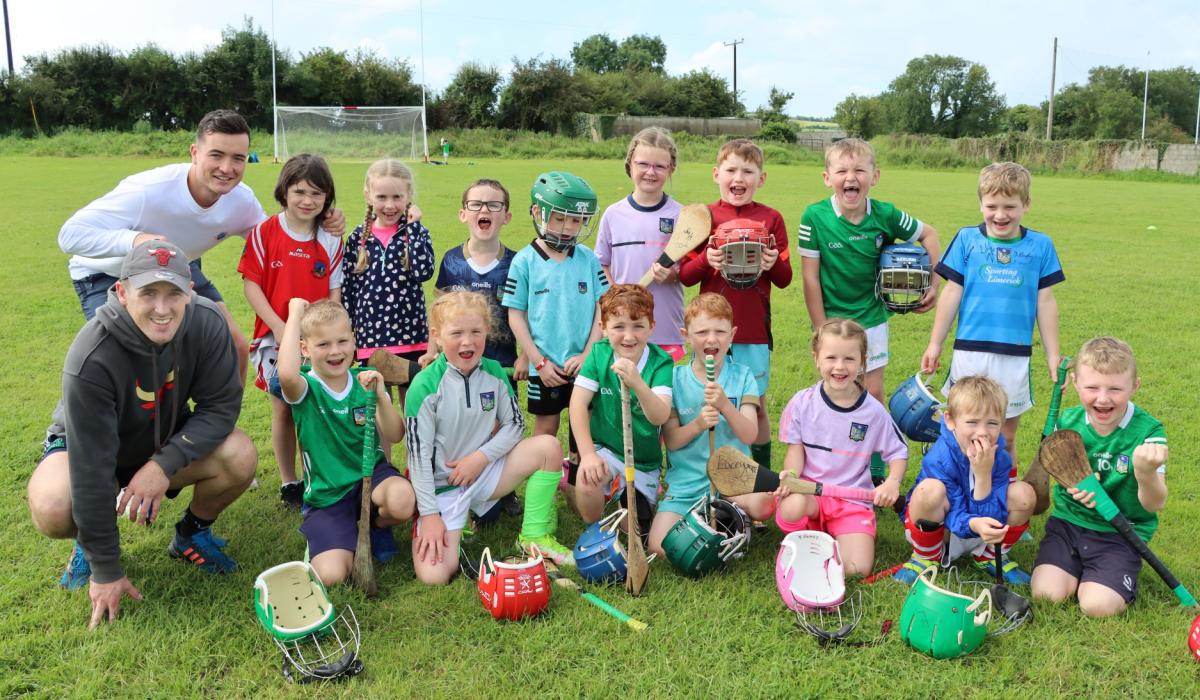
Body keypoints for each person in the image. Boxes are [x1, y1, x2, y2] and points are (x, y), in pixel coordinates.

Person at [27, 241, 256, 627]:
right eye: (148, 293)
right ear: (121, 292)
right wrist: (106, 569)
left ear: (190, 292)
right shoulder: (91, 355)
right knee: (53, 505)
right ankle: (88, 545)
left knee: (240, 454)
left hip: (162, 440)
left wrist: (162, 465)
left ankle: (192, 535)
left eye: (173, 294)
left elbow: (220, 409)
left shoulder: (206, 323)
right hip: (88, 450)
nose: (162, 309)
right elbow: (91, 468)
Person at [57, 109, 345, 356]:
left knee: (233, 344)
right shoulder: (148, 190)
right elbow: (70, 234)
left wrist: (322, 219)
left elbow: (276, 238)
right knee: (127, 355)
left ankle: (222, 409)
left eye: (238, 158)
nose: (227, 168)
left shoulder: (241, 201)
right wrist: (137, 240)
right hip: (105, 273)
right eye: (216, 155)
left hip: (179, 265)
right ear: (194, 153)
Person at [798, 137, 940, 481]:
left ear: (874, 176)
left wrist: (933, 285)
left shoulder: (886, 214)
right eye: (842, 171)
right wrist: (821, 328)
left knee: (872, 394)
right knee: (837, 391)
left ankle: (876, 467)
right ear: (827, 177)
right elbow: (810, 278)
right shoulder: (814, 216)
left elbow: (931, 235)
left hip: (872, 317)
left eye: (859, 170)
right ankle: (835, 462)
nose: (851, 177)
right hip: (834, 319)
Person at [407, 292, 570, 582]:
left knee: (548, 447)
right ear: (437, 336)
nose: (467, 342)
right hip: (444, 488)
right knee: (434, 576)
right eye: (456, 333)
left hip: (485, 473)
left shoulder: (494, 372)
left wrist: (480, 458)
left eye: (475, 332)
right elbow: (417, 458)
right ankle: (451, 522)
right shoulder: (425, 386)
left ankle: (534, 536)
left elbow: (515, 425)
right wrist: (429, 514)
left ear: (487, 331)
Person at [923, 162, 1062, 474]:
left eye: (1010, 207)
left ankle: (1004, 493)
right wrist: (935, 344)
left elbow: (1045, 301)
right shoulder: (966, 239)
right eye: (992, 206)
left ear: (1026, 204)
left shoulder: (1040, 246)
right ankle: (954, 488)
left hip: (1014, 355)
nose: (1000, 215)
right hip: (969, 350)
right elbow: (951, 293)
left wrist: (1053, 355)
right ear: (980, 204)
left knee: (1005, 437)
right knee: (961, 431)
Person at [277, 298, 416, 585]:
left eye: (342, 341)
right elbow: (286, 375)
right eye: (323, 344)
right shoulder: (305, 387)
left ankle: (375, 526)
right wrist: (295, 314)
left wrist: (380, 397)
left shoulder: (364, 382)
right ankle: (339, 535)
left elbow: (395, 435)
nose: (335, 351)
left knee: (402, 500)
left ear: (354, 340)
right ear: (305, 349)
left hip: (372, 478)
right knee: (332, 576)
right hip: (328, 495)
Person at [1031, 338, 1169, 617]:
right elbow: (1061, 469)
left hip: (1120, 533)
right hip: (1069, 523)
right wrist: (1074, 484)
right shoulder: (1067, 423)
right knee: (1046, 594)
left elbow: (1155, 503)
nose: (1103, 398)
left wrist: (1145, 473)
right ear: (1076, 383)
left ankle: (1109, 572)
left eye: (1115, 389)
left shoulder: (1148, 433)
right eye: (1092, 387)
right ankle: (1079, 569)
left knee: (1097, 606)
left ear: (1134, 386)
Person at [679, 138, 792, 471]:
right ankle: (703, 468)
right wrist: (707, 259)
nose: (738, 178)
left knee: (755, 405)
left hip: (753, 329)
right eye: (731, 170)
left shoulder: (771, 219)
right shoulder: (703, 216)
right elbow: (685, 275)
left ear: (762, 178)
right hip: (710, 329)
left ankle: (761, 474)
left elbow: (785, 279)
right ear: (716, 174)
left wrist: (773, 263)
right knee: (704, 397)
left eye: (748, 171)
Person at [238, 154, 343, 509]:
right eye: (299, 191)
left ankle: (319, 478)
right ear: (284, 191)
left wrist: (327, 336)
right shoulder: (264, 233)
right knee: (283, 409)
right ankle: (289, 482)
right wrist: (280, 327)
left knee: (316, 410)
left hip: (317, 342)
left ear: (327, 197)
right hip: (275, 337)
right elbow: (251, 285)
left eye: (316, 193)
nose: (307, 200)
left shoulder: (331, 238)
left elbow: (333, 292)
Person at [774, 319, 908, 576]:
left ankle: (833, 538)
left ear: (863, 362)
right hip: (811, 495)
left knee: (857, 568)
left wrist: (892, 482)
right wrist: (791, 475)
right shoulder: (802, 403)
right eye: (831, 357)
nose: (839, 366)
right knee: (791, 507)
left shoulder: (873, 412)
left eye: (849, 359)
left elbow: (898, 452)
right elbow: (795, 451)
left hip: (852, 500)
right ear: (816, 359)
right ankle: (804, 542)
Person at [650, 293, 777, 557]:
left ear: (732, 335)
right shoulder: (674, 378)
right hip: (687, 482)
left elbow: (750, 434)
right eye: (702, 332)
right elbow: (672, 440)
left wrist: (726, 406)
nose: (711, 339)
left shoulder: (742, 376)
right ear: (686, 335)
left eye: (720, 331)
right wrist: (698, 424)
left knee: (764, 506)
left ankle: (730, 515)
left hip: (733, 477)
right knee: (659, 545)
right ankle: (717, 525)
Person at [431, 178, 524, 521]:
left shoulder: (517, 262)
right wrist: (433, 349)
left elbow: (525, 313)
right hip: (458, 366)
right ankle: (453, 484)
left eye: (494, 205)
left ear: (506, 216)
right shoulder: (451, 260)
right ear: (463, 214)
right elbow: (439, 311)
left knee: (501, 426)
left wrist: (525, 355)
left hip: (501, 365)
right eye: (476, 204)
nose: (485, 210)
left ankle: (503, 489)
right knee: (461, 424)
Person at [892, 376, 1036, 585]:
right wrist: (974, 523)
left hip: (981, 528)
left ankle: (990, 556)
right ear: (950, 420)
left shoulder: (1000, 457)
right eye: (972, 422)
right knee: (928, 491)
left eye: (992, 423)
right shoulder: (939, 458)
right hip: (943, 528)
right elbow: (954, 511)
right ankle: (925, 558)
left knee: (1024, 494)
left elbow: (994, 514)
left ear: (1002, 423)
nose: (982, 432)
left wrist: (983, 475)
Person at [503, 171, 608, 455]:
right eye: (560, 218)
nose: (568, 228)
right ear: (538, 212)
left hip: (584, 365)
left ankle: (577, 480)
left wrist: (588, 355)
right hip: (544, 366)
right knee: (545, 431)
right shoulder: (524, 261)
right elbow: (516, 316)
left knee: (582, 432)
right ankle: (543, 481)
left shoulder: (588, 258)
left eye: (576, 220)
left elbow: (604, 307)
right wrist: (538, 363)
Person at [341, 159, 435, 451]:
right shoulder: (358, 237)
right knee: (379, 409)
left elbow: (424, 272)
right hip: (371, 340)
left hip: (411, 338)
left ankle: (417, 465)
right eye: (382, 197)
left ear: (409, 196)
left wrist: (414, 228)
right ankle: (384, 467)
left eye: (397, 196)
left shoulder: (416, 232)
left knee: (413, 408)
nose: (390, 205)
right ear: (368, 195)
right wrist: (349, 335)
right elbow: (348, 290)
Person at [569, 285, 673, 538]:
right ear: (603, 327)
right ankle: (594, 522)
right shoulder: (599, 353)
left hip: (643, 461)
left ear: (652, 326)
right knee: (587, 481)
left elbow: (659, 416)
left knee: (635, 531)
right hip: (606, 449)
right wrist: (588, 455)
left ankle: (629, 495)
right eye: (618, 327)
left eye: (638, 326)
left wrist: (638, 383)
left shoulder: (661, 363)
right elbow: (578, 404)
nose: (628, 336)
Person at [594, 126, 686, 361]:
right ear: (630, 165)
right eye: (643, 164)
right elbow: (601, 264)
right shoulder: (613, 214)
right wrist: (615, 293)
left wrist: (672, 275)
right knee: (623, 384)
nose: (650, 172)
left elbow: (689, 269)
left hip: (666, 329)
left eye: (659, 166)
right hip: (623, 328)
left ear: (671, 168)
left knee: (663, 386)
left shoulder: (680, 215)